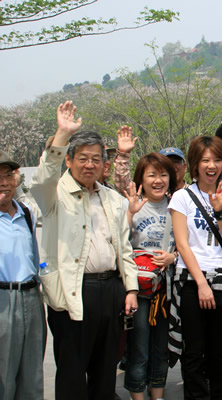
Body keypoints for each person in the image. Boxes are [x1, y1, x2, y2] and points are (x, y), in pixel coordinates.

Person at [30, 101, 139, 400]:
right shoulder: (54, 194)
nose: (89, 165)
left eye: (95, 159)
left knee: (105, 372)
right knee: (72, 372)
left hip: (110, 291)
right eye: (82, 158)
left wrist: (130, 289)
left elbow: (124, 249)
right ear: (69, 160)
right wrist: (62, 134)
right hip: (72, 292)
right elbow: (42, 178)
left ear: (104, 163)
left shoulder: (113, 200)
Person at [168, 136, 222, 399]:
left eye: (217, 160)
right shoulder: (181, 197)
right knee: (193, 350)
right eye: (205, 160)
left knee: (218, 349)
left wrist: (219, 212)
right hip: (190, 280)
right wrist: (201, 284)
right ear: (195, 164)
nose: (211, 166)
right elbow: (182, 244)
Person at [122, 152, 178, 400]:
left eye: (163, 175)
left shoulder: (177, 206)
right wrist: (129, 213)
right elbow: (119, 243)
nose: (158, 180)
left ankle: (158, 394)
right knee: (139, 346)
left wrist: (173, 257)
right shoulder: (132, 206)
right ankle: (137, 394)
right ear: (141, 179)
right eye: (151, 175)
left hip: (166, 289)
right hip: (139, 288)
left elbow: (186, 244)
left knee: (160, 348)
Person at [0, 151, 45, 400]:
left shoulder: (26, 213)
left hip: (31, 297)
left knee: (31, 376)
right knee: (3, 376)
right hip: (3, 300)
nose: (4, 183)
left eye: (8, 176)